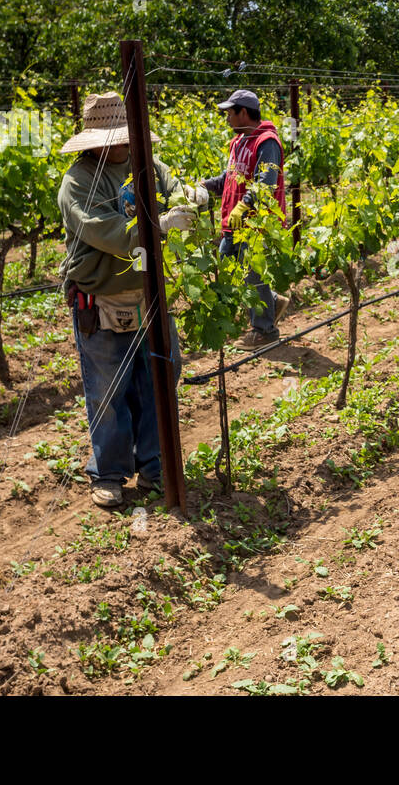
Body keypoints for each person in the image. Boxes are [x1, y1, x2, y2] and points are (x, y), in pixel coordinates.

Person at [57, 91, 210, 508]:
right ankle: (107, 473)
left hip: (150, 294)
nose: (122, 143)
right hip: (101, 298)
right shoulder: (79, 181)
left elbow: (177, 191)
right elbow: (106, 233)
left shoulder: (150, 165)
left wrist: (191, 199)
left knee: (160, 377)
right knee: (108, 391)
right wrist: (157, 225)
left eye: (126, 136)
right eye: (115, 137)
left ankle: (154, 467)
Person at [200, 89, 291, 348]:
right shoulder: (238, 142)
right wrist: (204, 186)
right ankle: (272, 301)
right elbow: (228, 178)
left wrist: (245, 205)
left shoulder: (267, 142)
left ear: (244, 113)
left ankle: (265, 331)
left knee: (251, 275)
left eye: (230, 113)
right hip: (232, 221)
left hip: (255, 225)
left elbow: (267, 182)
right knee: (230, 270)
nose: (227, 118)